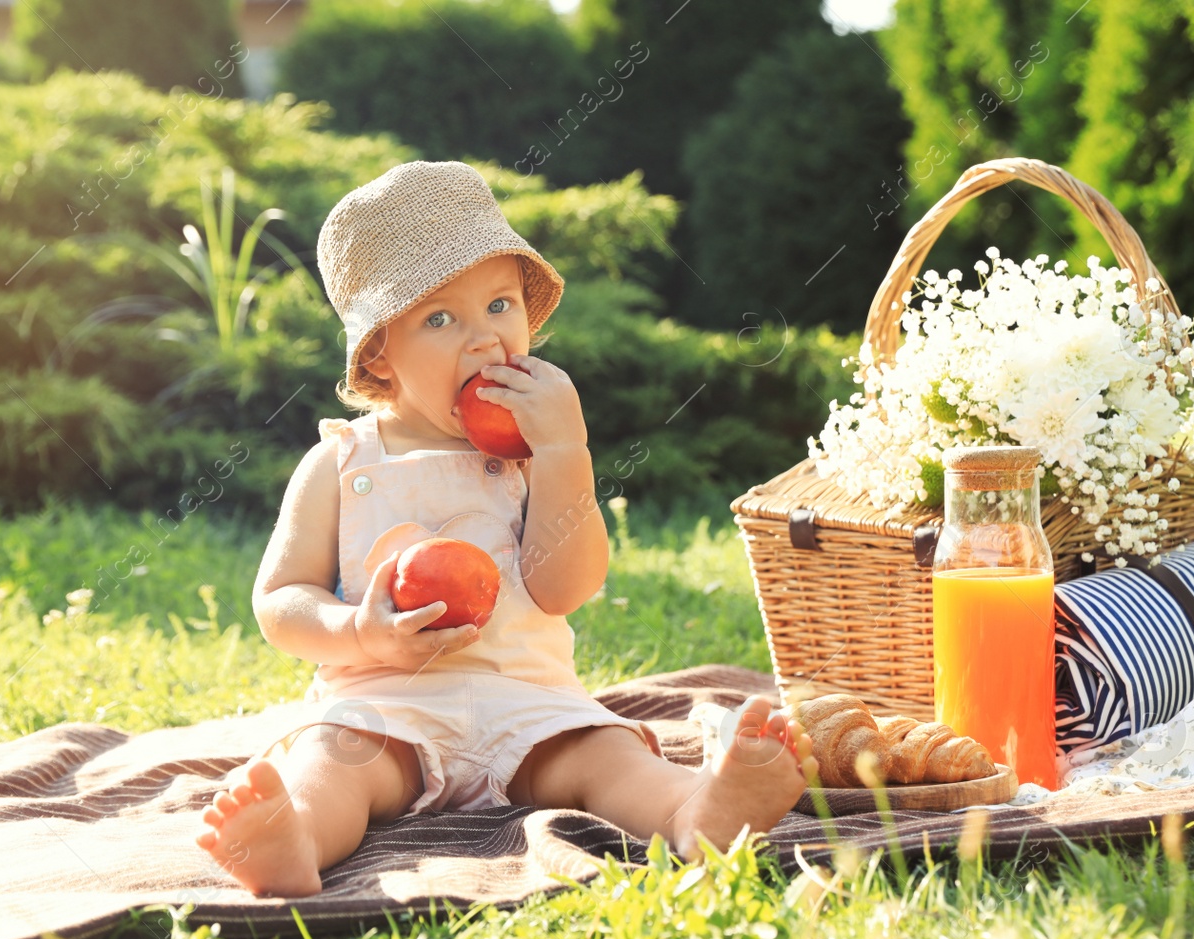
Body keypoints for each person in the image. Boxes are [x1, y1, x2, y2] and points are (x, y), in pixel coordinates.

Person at [195, 161, 817, 898]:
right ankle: (290, 836)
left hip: (529, 706)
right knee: (334, 758)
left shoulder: (530, 456)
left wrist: (565, 453)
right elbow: (281, 600)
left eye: (499, 304)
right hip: (389, 705)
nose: (486, 339)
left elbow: (566, 587)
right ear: (379, 354)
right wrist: (361, 631)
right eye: (440, 318)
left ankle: (696, 811)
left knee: (608, 753)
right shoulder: (339, 462)